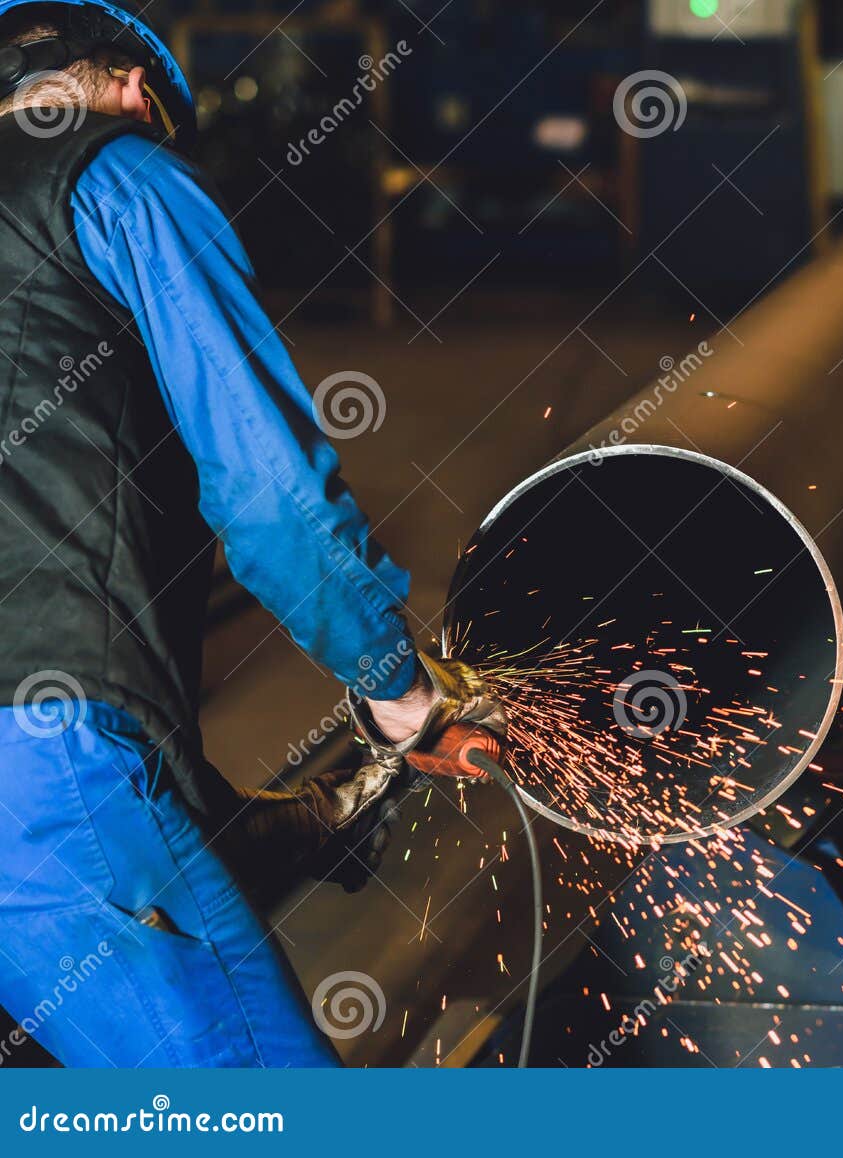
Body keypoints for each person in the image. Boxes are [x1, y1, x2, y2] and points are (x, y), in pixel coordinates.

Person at [0, 1, 487, 1067]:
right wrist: (396, 688)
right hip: (43, 774)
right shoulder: (119, 174)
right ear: (135, 89)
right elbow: (267, 492)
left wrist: (286, 824)